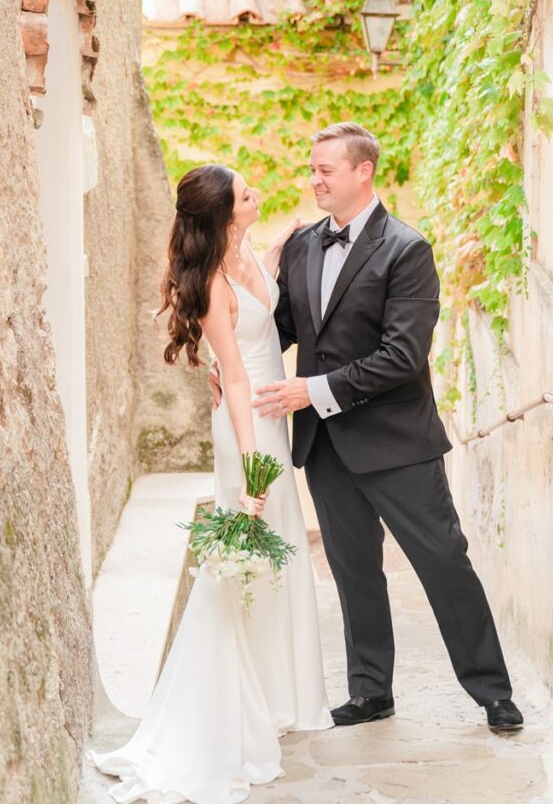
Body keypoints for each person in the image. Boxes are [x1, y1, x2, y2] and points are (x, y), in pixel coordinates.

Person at [212, 121, 524, 734]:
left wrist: (312, 391)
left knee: (443, 562)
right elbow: (279, 331)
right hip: (326, 448)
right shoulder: (302, 247)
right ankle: (370, 691)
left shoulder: (407, 250)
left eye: (327, 169)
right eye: (313, 168)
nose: (315, 179)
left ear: (364, 172)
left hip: (398, 444)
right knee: (354, 572)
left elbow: (403, 357)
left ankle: (492, 692)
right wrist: (227, 369)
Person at [85, 163, 332, 804]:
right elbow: (238, 373)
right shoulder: (214, 285)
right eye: (247, 194)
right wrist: (254, 472)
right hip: (247, 428)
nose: (259, 194)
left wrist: (278, 247)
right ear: (225, 216)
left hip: (266, 418)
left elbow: (266, 295)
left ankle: (273, 696)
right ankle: (227, 711)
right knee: (244, 560)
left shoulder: (246, 252)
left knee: (271, 560)